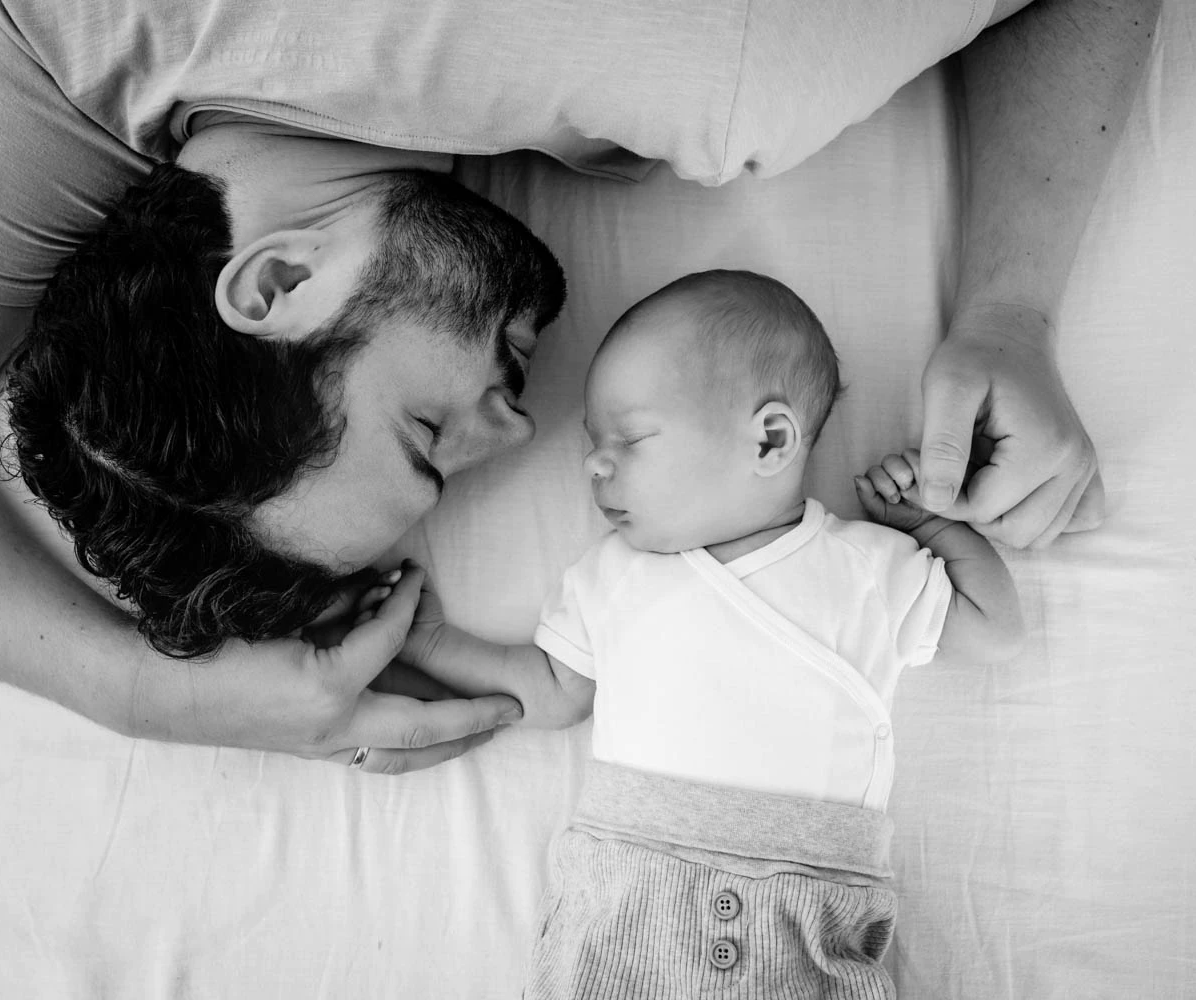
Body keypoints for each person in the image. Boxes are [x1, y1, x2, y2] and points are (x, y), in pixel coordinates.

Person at [0, 0, 1156, 770]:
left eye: (428, 431)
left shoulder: (718, 65)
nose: (523, 424)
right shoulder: (49, 38)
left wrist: (1014, 298)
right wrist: (139, 694)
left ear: (274, 286)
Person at [395, 270, 1024, 996]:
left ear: (769, 440)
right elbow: (553, 690)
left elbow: (994, 630)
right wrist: (433, 644)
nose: (595, 462)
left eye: (631, 437)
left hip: (802, 913)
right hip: (626, 899)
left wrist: (928, 525)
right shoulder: (614, 574)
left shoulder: (866, 568)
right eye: (594, 443)